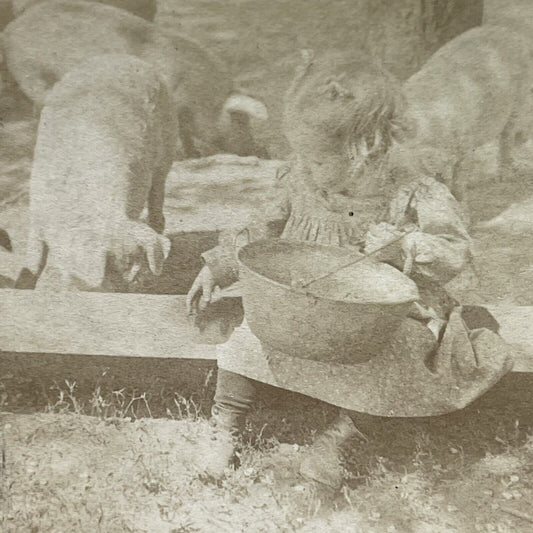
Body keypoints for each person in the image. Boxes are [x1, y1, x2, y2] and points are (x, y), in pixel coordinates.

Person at [186, 50, 514, 488]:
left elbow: (456, 251)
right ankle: (225, 425)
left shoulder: (411, 187)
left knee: (397, 360)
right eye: (306, 159)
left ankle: (345, 437)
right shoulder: (304, 176)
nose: (312, 171)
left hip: (382, 316)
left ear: (365, 150)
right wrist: (221, 265)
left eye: (322, 161)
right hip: (309, 302)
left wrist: (406, 248)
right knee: (246, 340)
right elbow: (262, 228)